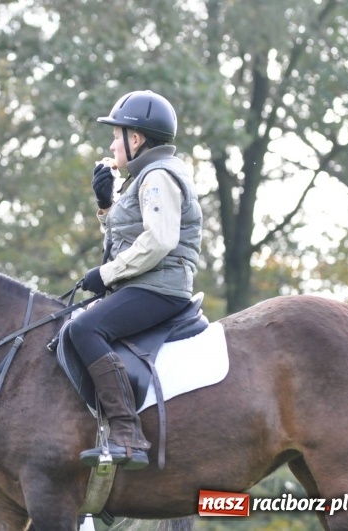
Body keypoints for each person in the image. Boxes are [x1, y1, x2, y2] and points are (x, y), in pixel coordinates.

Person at [72, 90, 202, 471]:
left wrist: (105, 274)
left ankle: (127, 432)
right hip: (145, 283)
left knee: (85, 330)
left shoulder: (158, 176)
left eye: (116, 136)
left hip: (160, 288)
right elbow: (129, 237)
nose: (112, 144)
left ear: (136, 138)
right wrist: (106, 205)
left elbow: (160, 240)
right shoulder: (144, 177)